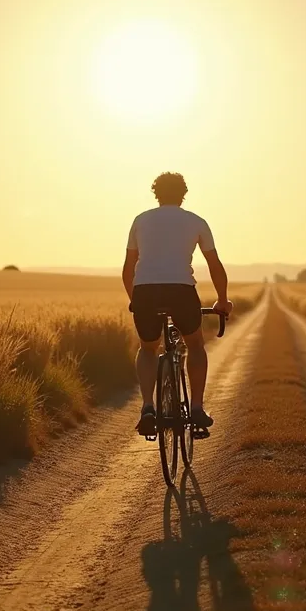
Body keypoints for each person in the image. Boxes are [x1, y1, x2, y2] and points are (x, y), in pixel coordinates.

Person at [123, 172, 232, 438]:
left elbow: (128, 269)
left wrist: (135, 300)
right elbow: (215, 265)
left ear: (156, 194)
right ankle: (196, 408)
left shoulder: (140, 220)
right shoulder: (196, 221)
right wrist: (222, 299)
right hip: (181, 291)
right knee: (195, 344)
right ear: (183, 194)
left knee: (148, 349)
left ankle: (148, 408)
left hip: (145, 291)